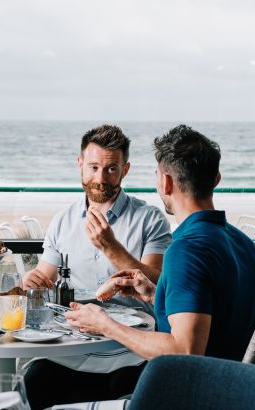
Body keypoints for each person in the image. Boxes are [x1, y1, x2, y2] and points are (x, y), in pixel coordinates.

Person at [24, 124, 171, 410]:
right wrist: (34, 280)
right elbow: (44, 275)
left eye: (111, 169)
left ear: (125, 170)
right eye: (93, 167)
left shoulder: (150, 219)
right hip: (69, 351)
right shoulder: (62, 221)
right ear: (80, 165)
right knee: (30, 386)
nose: (100, 178)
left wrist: (110, 246)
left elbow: (158, 283)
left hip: (130, 351)